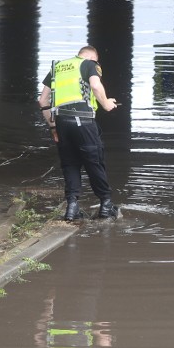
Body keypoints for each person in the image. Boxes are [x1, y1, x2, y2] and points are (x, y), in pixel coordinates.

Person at [38, 45, 118, 221]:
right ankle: (106, 205)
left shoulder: (57, 67)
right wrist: (106, 104)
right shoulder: (89, 64)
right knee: (94, 161)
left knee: (70, 164)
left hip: (61, 123)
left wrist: (53, 128)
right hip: (83, 123)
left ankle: (72, 208)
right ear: (92, 58)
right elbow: (96, 87)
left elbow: (42, 99)